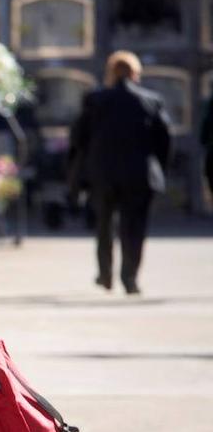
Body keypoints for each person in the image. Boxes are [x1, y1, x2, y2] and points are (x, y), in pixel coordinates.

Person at [68, 51, 171, 294]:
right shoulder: (151, 101)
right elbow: (164, 140)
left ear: (110, 73)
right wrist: (159, 169)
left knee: (104, 224)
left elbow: (79, 137)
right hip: (140, 174)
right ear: (136, 74)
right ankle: (130, 278)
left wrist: (77, 171)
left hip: (102, 173)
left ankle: (105, 275)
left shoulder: (95, 100)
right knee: (135, 227)